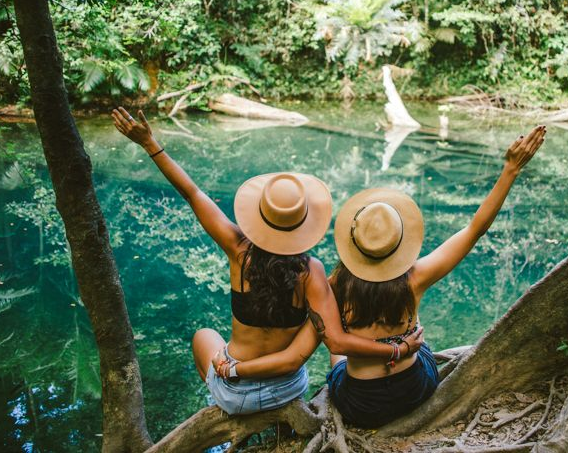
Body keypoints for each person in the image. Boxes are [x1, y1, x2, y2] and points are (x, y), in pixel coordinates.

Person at [217, 126, 546, 427]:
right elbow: (475, 229)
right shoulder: (416, 278)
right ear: (399, 244)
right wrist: (511, 169)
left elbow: (313, 346)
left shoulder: (335, 285)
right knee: (419, 339)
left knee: (338, 352)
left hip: (360, 404)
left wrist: (241, 366)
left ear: (353, 244)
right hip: (415, 390)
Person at [111, 107, 424, 415]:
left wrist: (151, 145)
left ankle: (223, 408)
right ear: (304, 225)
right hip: (287, 391)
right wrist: (398, 348)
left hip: (234, 391)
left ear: (259, 218)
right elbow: (315, 350)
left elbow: (192, 193)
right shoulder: (311, 273)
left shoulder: (237, 249)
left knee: (203, 336)